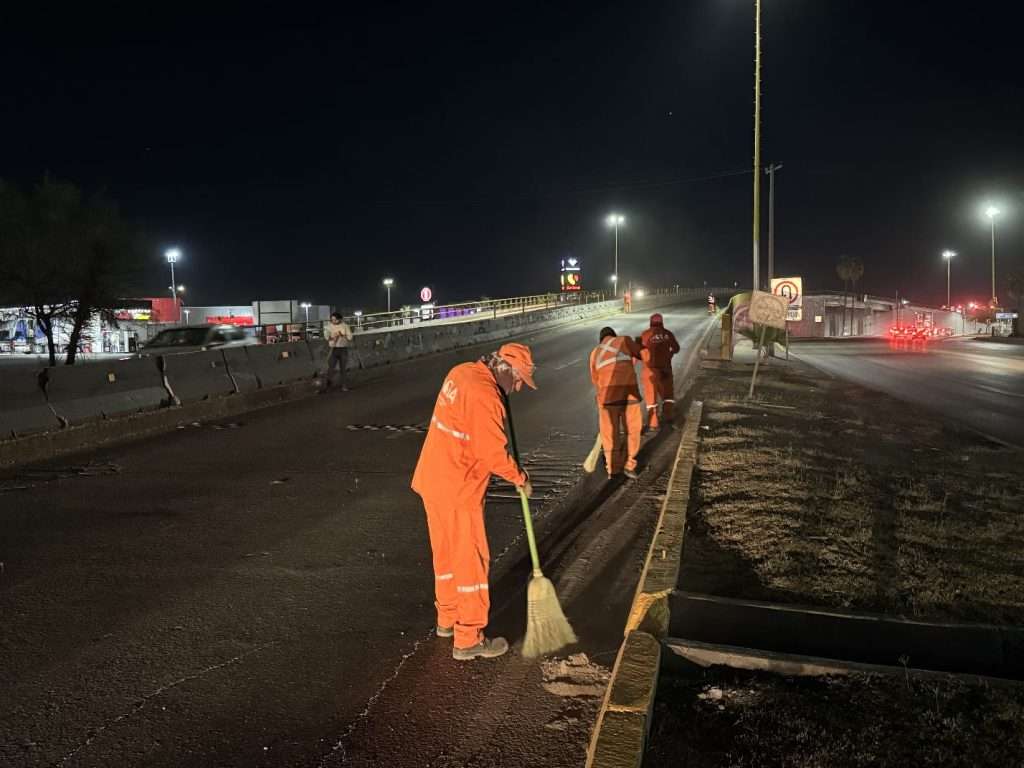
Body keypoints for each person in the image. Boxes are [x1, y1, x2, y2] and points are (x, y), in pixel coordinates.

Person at [411, 343, 536, 661]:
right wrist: (520, 479)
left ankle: (447, 619)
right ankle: (468, 637)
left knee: (446, 556)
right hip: (459, 486)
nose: (518, 388)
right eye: (518, 380)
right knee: (471, 560)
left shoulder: (461, 372)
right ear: (505, 369)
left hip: (433, 479)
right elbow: (493, 454)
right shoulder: (486, 395)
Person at [589, 326, 643, 479]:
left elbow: (595, 380)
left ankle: (613, 468)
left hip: (607, 398)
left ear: (601, 340)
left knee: (609, 434)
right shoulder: (623, 340)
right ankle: (630, 464)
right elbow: (641, 355)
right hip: (629, 394)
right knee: (632, 430)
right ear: (614, 335)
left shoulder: (595, 353)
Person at [639, 313, 681, 430]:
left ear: (650, 322)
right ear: (662, 322)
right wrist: (669, 354)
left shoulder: (645, 335)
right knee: (668, 395)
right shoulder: (668, 334)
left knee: (651, 398)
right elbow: (676, 348)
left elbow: (639, 352)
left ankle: (653, 423)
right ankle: (668, 417)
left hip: (650, 371)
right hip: (665, 369)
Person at [324, 312, 353, 391]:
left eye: (335, 319)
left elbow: (350, 337)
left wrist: (343, 335)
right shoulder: (328, 327)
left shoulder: (345, 326)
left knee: (343, 369)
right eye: (332, 319)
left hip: (343, 349)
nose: (333, 321)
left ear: (340, 319)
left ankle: (344, 386)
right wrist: (333, 336)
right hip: (333, 349)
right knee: (330, 368)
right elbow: (326, 337)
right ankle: (328, 386)